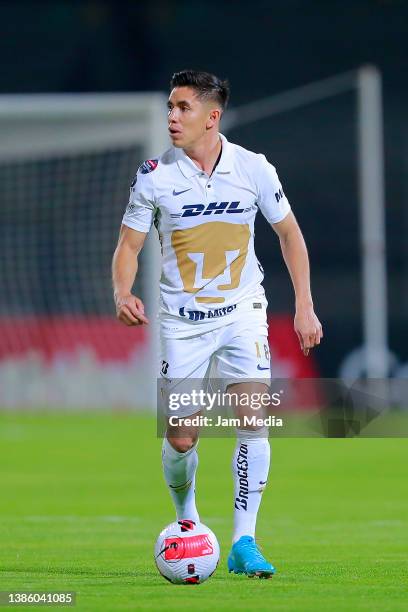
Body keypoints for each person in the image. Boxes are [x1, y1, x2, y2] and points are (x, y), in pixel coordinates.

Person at [112, 70, 323, 579]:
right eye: (169, 106)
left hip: (241, 313)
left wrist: (304, 305)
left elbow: (289, 236)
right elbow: (129, 246)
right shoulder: (154, 175)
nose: (171, 117)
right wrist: (122, 292)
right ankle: (187, 521)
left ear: (212, 116)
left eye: (183, 108)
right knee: (182, 437)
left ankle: (244, 540)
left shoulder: (253, 168)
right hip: (182, 323)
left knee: (253, 416)